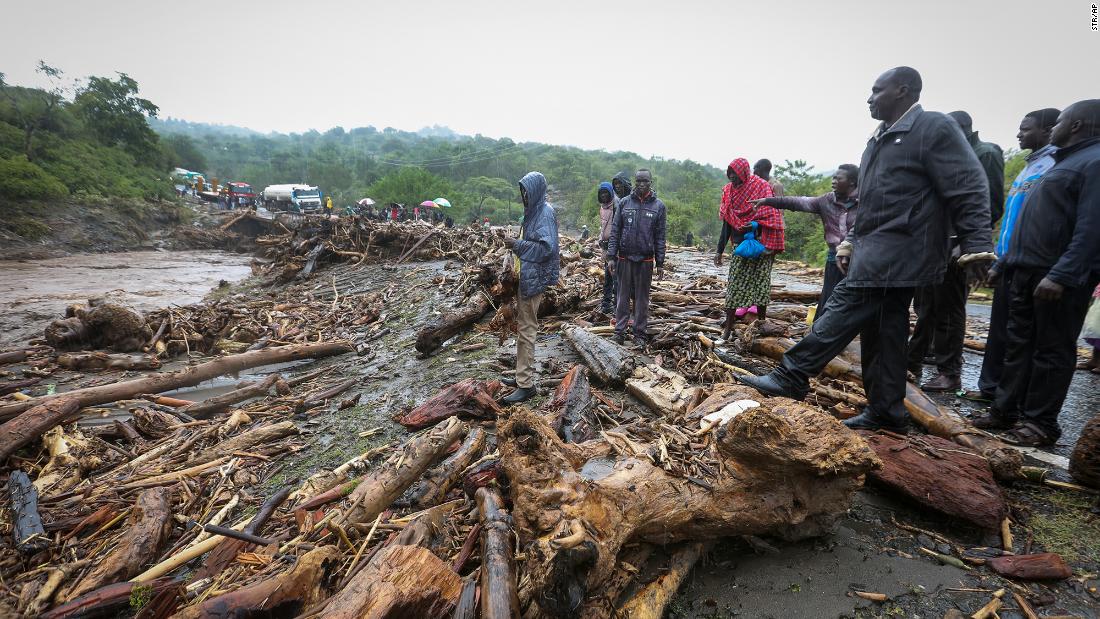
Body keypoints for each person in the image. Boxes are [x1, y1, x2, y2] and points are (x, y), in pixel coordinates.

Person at [737, 66, 994, 433]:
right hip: (876, 246)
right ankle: (887, 410)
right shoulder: (877, 141)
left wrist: (977, 244)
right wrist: (851, 241)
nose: (870, 98)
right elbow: (871, 204)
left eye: (877, 90)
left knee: (842, 308)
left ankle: (792, 375)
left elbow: (968, 186)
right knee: (884, 331)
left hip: (902, 250)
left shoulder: (933, 128)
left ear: (903, 91)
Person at [977, 100, 1100, 446]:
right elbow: (1032, 222)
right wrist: (1004, 262)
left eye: (1059, 122)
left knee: (1051, 350)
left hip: (1055, 276)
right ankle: (1006, 411)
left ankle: (1040, 423)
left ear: (1076, 125)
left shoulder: (1094, 162)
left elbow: (1092, 229)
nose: (1053, 128)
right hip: (1025, 270)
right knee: (1018, 345)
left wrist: (1062, 274)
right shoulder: (1061, 162)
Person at [961, 108, 1060, 402]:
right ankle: (992, 391)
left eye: (1026, 128)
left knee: (1029, 339)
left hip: (1038, 261)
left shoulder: (1056, 164)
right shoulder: (1030, 166)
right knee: (1002, 332)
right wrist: (999, 258)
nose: (1019, 134)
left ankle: (1017, 404)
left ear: (1048, 129)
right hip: (1010, 258)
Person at [906, 112, 1005, 391]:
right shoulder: (946, 155)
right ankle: (912, 360)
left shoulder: (984, 153)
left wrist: (969, 243)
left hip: (956, 244)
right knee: (925, 306)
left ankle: (950, 372)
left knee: (948, 309)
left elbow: (988, 204)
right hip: (934, 243)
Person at [752, 164, 859, 320]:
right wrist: (768, 201)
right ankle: (820, 333)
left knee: (855, 300)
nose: (834, 181)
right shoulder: (826, 201)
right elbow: (797, 202)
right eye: (833, 177)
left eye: (838, 178)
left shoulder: (866, 203)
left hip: (860, 259)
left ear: (852, 182)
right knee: (830, 297)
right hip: (835, 259)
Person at [500, 172, 561, 404]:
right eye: (522, 191)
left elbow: (547, 249)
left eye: (527, 191)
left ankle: (526, 385)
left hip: (534, 278)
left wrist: (517, 245)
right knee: (523, 327)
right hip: (526, 275)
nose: (524, 196)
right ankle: (520, 376)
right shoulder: (533, 211)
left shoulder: (544, 213)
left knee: (527, 329)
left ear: (535, 191)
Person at [714, 158, 784, 342]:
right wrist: (719, 251)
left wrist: (754, 225)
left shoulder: (761, 187)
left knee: (760, 286)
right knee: (734, 287)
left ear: (744, 172)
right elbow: (727, 224)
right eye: (729, 173)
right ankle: (727, 330)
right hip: (740, 247)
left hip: (761, 246)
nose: (731, 177)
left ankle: (761, 324)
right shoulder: (728, 192)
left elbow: (771, 215)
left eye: (734, 173)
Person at [607, 169, 667, 346]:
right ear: (634, 182)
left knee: (642, 300)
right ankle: (619, 332)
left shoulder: (659, 206)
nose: (641, 184)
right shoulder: (625, 203)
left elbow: (660, 236)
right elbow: (616, 230)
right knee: (622, 297)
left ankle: (639, 335)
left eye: (645, 181)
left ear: (651, 183)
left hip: (646, 260)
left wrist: (660, 262)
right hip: (624, 258)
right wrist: (611, 256)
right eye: (638, 181)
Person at [597, 181, 617, 314]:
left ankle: (617, 305)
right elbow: (603, 227)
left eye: (606, 193)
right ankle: (606, 303)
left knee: (615, 276)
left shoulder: (616, 206)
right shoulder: (602, 207)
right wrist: (600, 240)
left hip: (614, 246)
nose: (604, 195)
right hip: (605, 245)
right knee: (608, 277)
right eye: (601, 193)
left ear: (610, 193)